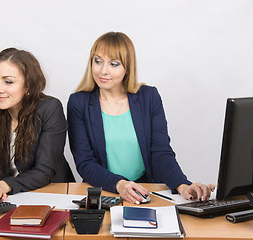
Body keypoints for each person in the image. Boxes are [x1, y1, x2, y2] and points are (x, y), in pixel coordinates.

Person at [67, 32, 214, 204]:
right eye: (98, 61)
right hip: (105, 191)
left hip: (145, 191)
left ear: (127, 68)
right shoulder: (79, 102)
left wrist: (182, 185)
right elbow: (85, 162)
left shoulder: (149, 97)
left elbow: (161, 153)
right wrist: (119, 185)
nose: (103, 70)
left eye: (114, 64)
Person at [0, 48, 74, 201]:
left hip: (51, 192)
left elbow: (44, 171)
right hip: (7, 194)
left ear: (28, 86)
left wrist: (5, 185)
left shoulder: (50, 108)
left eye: (8, 82)